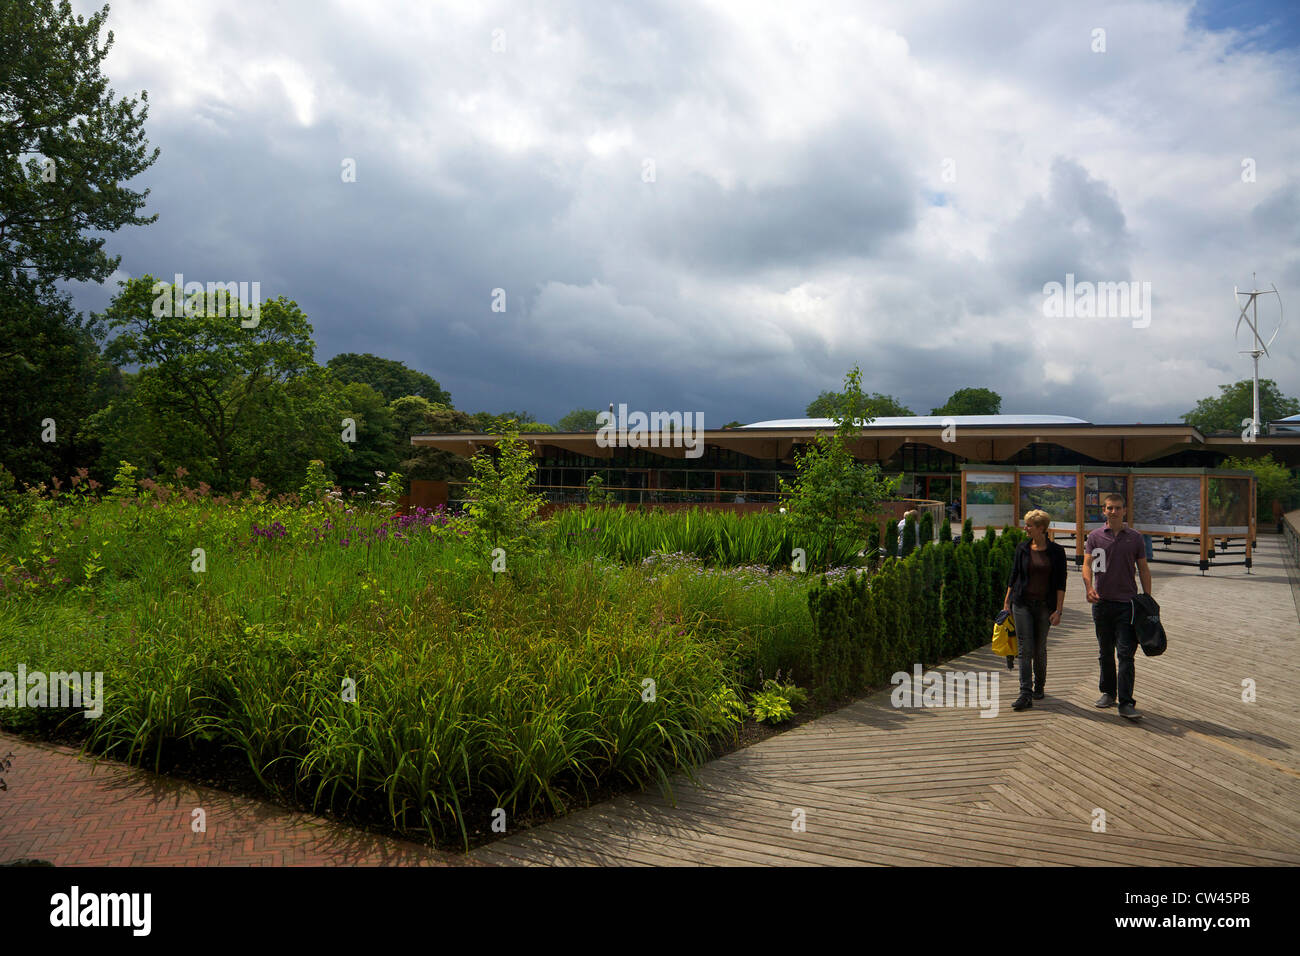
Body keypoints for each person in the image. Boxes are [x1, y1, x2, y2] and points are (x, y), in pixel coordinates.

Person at [1081, 493, 1152, 720]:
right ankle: (1108, 692)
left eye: (1118, 508)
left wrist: (1147, 599)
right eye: (1110, 508)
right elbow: (1086, 565)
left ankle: (1126, 702)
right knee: (1105, 652)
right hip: (1102, 604)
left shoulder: (1135, 538)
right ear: (1103, 510)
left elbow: (1143, 568)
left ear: (1125, 511)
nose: (1113, 512)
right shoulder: (1094, 537)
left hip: (1127, 605)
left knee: (1125, 654)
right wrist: (1088, 587)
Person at [1002, 509, 1067, 711]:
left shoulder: (1057, 552)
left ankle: (1039, 686)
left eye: (1029, 525)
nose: (1025, 528)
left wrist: (1058, 610)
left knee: (1039, 649)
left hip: (1044, 606)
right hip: (1022, 603)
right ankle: (1025, 692)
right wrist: (1007, 602)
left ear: (1041, 528)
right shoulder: (1022, 548)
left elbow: (1060, 583)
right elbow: (1014, 576)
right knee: (1025, 649)